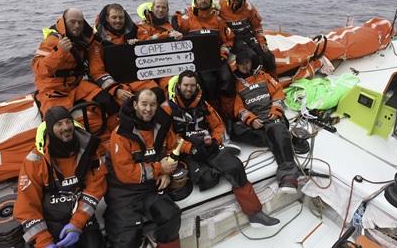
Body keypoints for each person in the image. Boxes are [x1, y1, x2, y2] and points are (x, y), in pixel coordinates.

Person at [162, 70, 280, 227]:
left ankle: (255, 213)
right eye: (185, 85)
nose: (189, 89)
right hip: (187, 152)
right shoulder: (168, 109)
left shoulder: (203, 104)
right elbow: (168, 139)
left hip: (209, 146)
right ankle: (220, 162)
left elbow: (218, 125)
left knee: (236, 166)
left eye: (192, 85)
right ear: (179, 86)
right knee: (207, 180)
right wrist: (190, 148)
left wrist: (216, 141)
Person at [14, 106, 107, 248]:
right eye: (59, 124)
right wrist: (44, 242)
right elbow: (26, 206)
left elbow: (95, 187)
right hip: (50, 220)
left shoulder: (87, 150)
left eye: (68, 122)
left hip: (81, 215)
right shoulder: (35, 161)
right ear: (50, 129)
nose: (66, 127)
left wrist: (77, 223)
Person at [105, 88, 181, 248]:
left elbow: (171, 150)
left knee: (171, 215)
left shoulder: (161, 126)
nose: (148, 109)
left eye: (153, 105)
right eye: (144, 104)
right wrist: (160, 168)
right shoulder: (120, 134)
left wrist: (167, 173)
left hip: (150, 189)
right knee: (126, 240)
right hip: (124, 193)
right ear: (134, 105)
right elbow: (126, 173)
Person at [32, 8, 119, 133]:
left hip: (76, 87)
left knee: (107, 101)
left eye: (80, 22)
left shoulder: (87, 40)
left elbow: (98, 63)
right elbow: (38, 69)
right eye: (72, 22)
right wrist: (60, 51)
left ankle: (116, 133)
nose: (77, 26)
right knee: (57, 123)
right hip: (52, 90)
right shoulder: (52, 41)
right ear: (64, 21)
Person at [232, 51, 300, 193]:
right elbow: (238, 109)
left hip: (270, 117)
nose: (245, 66)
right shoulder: (235, 84)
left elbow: (278, 93)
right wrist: (252, 120)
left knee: (277, 128)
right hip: (255, 122)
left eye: (247, 62)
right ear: (237, 65)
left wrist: (275, 111)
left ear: (251, 62)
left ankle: (288, 175)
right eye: (241, 64)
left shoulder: (264, 76)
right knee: (235, 130)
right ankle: (283, 140)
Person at [173, 0, 235, 115]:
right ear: (195, 1)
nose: (203, 1)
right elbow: (175, 28)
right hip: (198, 60)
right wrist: (177, 19)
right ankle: (213, 113)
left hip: (217, 58)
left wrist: (223, 53)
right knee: (209, 82)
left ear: (210, 0)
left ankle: (228, 115)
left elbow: (228, 40)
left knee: (227, 79)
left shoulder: (218, 20)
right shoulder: (187, 19)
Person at [89, 3, 157, 106]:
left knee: (157, 93)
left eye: (121, 17)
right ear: (107, 18)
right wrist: (116, 90)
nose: (118, 21)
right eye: (114, 17)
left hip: (137, 79)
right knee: (125, 104)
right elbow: (97, 72)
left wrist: (172, 35)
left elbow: (152, 42)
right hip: (115, 82)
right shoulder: (97, 41)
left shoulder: (135, 31)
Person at [218, 0, 276, 75]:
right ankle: (254, 79)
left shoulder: (249, 8)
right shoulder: (219, 6)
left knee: (268, 55)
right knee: (252, 56)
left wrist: (262, 41)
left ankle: (273, 79)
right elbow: (203, 8)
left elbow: (257, 26)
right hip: (234, 39)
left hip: (248, 35)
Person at [137, 0, 183, 91]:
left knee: (173, 86)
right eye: (158, 7)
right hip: (146, 69)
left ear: (167, 10)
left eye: (163, 7)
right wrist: (166, 35)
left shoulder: (171, 26)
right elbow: (144, 43)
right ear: (152, 8)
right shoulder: (141, 26)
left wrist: (180, 37)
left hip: (165, 69)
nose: (160, 10)